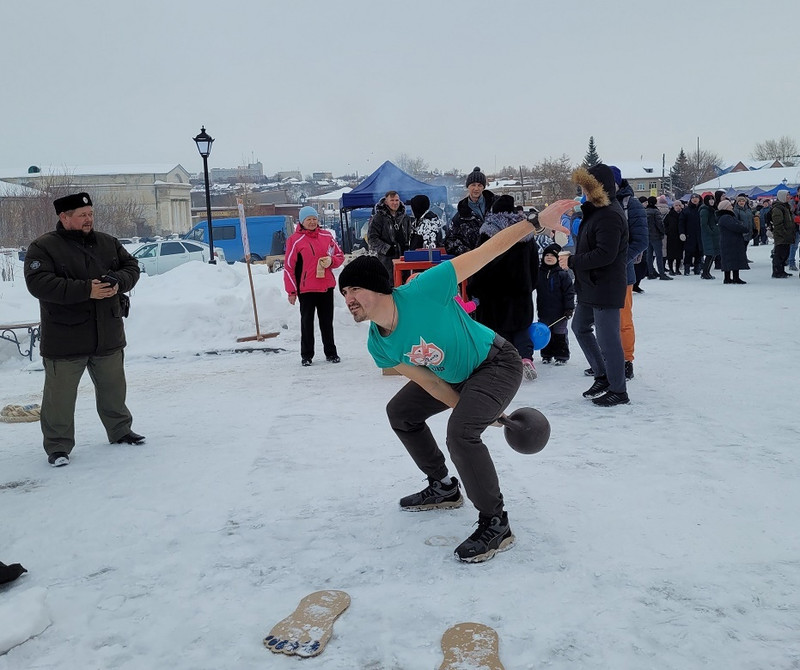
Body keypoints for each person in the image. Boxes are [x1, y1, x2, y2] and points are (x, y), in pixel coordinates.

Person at [338, 198, 575, 563]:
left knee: (461, 433)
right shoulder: (379, 345)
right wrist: (472, 409)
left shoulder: (425, 288)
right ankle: (443, 486)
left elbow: (487, 251)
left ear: (377, 287)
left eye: (354, 289)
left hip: (495, 363)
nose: (348, 298)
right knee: (401, 412)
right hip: (454, 378)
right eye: (344, 293)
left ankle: (496, 523)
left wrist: (534, 222)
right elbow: (431, 384)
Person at [24, 192, 143, 468]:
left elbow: (132, 267)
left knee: (114, 390)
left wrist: (118, 282)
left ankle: (120, 430)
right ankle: (58, 446)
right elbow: (39, 283)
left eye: (90, 214)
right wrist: (86, 290)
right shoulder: (43, 247)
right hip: (65, 338)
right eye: (82, 215)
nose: (89, 219)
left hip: (108, 332)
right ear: (64, 217)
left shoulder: (107, 242)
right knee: (60, 398)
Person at [560, 164, 629, 407]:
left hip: (605, 286)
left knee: (609, 340)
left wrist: (572, 261)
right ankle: (602, 376)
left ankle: (618, 390)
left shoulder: (610, 214)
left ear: (598, 187)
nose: (583, 192)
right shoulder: (596, 211)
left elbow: (605, 254)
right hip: (590, 284)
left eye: (586, 187)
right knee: (580, 327)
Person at [468, 195, 540, 380]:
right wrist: (530, 285)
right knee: (521, 329)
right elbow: (534, 263)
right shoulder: (525, 232)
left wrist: (474, 288)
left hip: (493, 292)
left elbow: (479, 262)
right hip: (520, 291)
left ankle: (503, 365)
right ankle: (526, 358)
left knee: (497, 332)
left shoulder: (488, 232)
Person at [284, 206, 345, 366]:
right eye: (308, 219)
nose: (312, 222)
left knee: (327, 322)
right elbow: (289, 267)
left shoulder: (327, 236)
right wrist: (291, 291)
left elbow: (339, 255)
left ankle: (331, 353)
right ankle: (306, 355)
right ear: (301, 221)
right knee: (307, 323)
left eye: (314, 219)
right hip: (306, 289)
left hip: (326, 286)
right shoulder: (295, 240)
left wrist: (332, 261)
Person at [610, 166, 649, 381]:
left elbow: (641, 240)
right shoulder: (596, 205)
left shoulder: (631, 205)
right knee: (603, 321)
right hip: (600, 276)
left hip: (623, 274)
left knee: (623, 320)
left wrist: (618, 261)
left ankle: (626, 360)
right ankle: (607, 358)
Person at [536, 243, 575, 365]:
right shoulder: (539, 273)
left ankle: (561, 355)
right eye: (546, 255)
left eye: (552, 256)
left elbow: (569, 293)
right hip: (544, 310)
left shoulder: (562, 274)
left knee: (559, 333)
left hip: (560, 312)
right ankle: (546, 355)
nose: (549, 257)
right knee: (545, 333)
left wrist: (569, 308)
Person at [443, 167, 496, 256]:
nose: (476, 188)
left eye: (479, 185)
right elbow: (450, 242)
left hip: (498, 258)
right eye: (473, 185)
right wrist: (469, 254)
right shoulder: (460, 216)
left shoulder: (496, 206)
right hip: (476, 261)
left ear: (483, 187)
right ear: (468, 186)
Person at [367, 190, 413, 282]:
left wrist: (408, 246)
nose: (395, 203)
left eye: (397, 200)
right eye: (392, 200)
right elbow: (372, 238)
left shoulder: (405, 218)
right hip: (386, 262)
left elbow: (410, 235)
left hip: (404, 260)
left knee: (405, 285)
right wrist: (386, 249)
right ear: (386, 202)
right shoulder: (378, 218)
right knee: (389, 285)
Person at [716, 199, 749, 284]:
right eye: (729, 205)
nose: (731, 207)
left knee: (731, 259)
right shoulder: (726, 217)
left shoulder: (726, 216)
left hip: (730, 241)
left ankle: (730, 278)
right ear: (726, 207)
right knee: (732, 259)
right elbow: (735, 226)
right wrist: (744, 228)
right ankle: (732, 278)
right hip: (730, 241)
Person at [645, 196, 672, 280]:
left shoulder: (644, 211)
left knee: (649, 255)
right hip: (656, 236)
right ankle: (662, 273)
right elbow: (659, 224)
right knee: (659, 255)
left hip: (647, 236)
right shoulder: (656, 212)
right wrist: (662, 232)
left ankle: (650, 273)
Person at [771, 189, 795, 278]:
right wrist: (784, 233)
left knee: (784, 254)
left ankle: (782, 270)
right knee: (779, 254)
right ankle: (777, 272)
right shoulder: (778, 208)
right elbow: (778, 224)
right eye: (787, 195)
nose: (789, 197)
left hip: (787, 234)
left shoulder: (786, 207)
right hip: (781, 235)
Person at [679, 193, 703, 275]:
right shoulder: (686, 210)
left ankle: (697, 268)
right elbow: (681, 223)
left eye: (696, 198)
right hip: (689, 234)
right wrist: (682, 233)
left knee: (699, 252)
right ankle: (687, 269)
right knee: (688, 252)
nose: (695, 199)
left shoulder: (701, 209)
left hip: (700, 234)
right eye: (693, 198)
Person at [699, 193, 720, 280]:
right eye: (709, 199)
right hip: (708, 235)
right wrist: (711, 231)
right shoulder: (704, 210)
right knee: (709, 254)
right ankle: (705, 272)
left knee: (713, 254)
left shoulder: (713, 209)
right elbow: (704, 224)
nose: (711, 201)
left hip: (714, 235)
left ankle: (707, 272)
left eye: (712, 199)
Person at [663, 199, 684, 275]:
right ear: (673, 206)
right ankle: (671, 269)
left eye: (679, 205)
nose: (678, 207)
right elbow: (664, 224)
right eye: (676, 205)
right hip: (671, 237)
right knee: (670, 255)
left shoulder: (683, 214)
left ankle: (677, 269)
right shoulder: (669, 215)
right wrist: (668, 231)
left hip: (680, 237)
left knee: (679, 254)